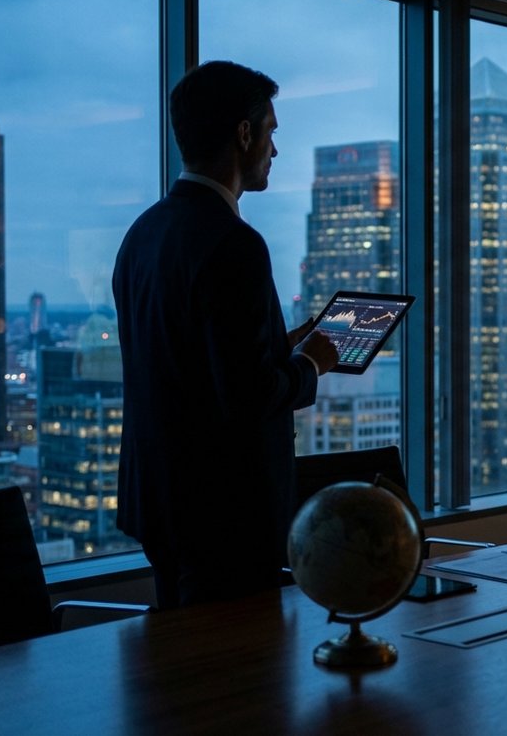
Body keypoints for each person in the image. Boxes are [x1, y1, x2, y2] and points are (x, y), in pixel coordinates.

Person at [112, 60, 339, 609]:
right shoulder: (235, 242)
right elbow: (248, 397)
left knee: (181, 676)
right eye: (271, 132)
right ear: (243, 134)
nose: (274, 151)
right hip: (226, 512)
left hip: (160, 499)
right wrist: (310, 362)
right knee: (243, 681)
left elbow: (182, 359)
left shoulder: (142, 234)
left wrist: (275, 345)